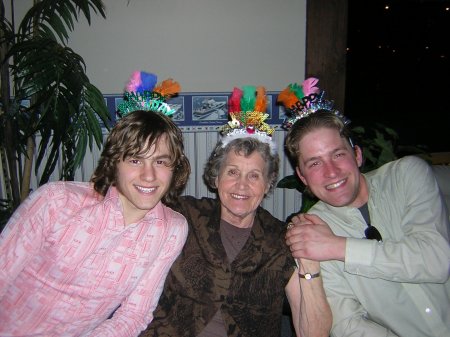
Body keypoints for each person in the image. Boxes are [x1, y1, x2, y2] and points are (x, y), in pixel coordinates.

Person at [0, 71, 191, 337]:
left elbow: (134, 315)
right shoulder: (56, 201)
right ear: (115, 163)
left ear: (175, 168)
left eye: (160, 161)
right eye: (135, 160)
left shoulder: (171, 229)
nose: (149, 176)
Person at [140, 85, 331, 337]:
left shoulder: (282, 239)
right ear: (215, 177)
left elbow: (314, 333)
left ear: (268, 184)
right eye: (232, 172)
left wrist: (309, 263)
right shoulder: (182, 214)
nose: (242, 185)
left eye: (254, 175)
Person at [279, 78, 450, 337]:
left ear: (357, 155)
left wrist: (338, 247)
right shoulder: (313, 229)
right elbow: (348, 324)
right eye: (315, 163)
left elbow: (436, 261)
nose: (331, 172)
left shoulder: (406, 176)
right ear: (302, 177)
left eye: (338, 154)